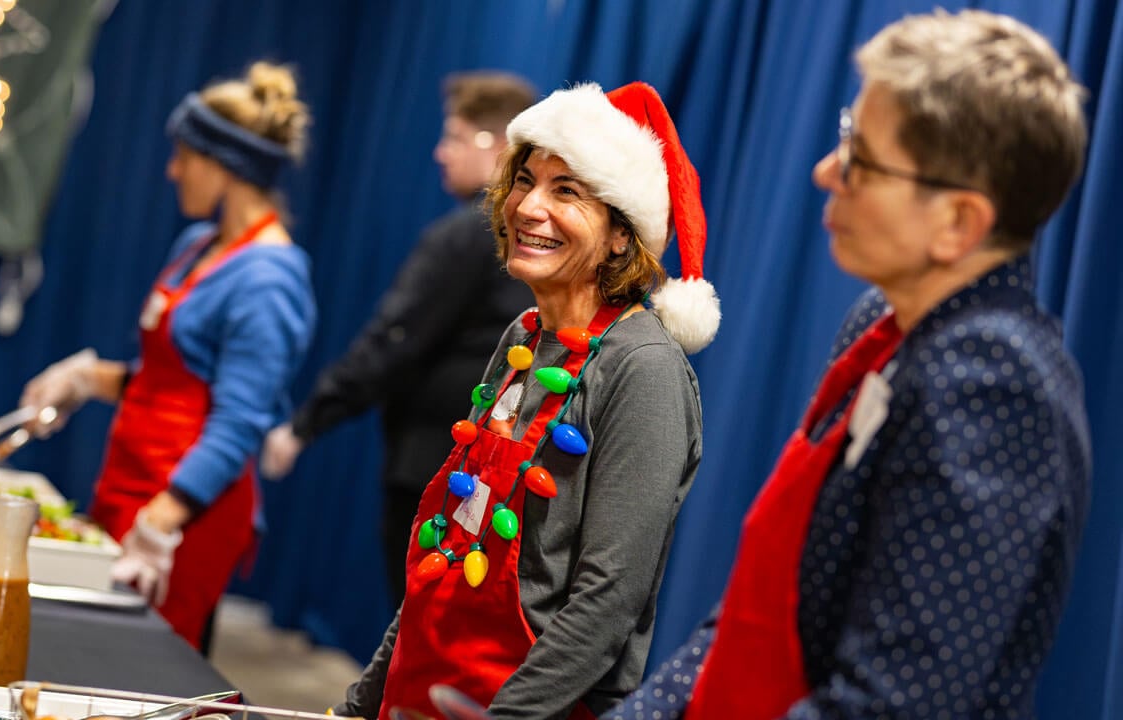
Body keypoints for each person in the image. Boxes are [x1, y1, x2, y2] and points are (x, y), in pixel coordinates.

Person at [606, 9, 1091, 720]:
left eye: (860, 157)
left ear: (959, 222)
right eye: (844, 135)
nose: (825, 171)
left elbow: (893, 705)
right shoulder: (881, 327)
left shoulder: (993, 387)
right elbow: (763, 610)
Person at [332, 81, 720, 720]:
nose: (529, 207)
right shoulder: (523, 337)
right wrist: (361, 703)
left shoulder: (643, 368)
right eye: (524, 181)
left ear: (622, 235)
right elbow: (450, 549)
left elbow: (608, 602)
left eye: (566, 191)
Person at [19, 61, 317, 652]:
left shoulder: (269, 280)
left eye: (184, 155)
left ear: (225, 165)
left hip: (185, 513)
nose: (172, 169)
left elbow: (237, 425)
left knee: (134, 677)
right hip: (131, 482)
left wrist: (162, 520)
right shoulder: (197, 245)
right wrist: (82, 378)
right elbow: (167, 382)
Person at [260, 71, 536, 604]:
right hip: (492, 476)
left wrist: (307, 422)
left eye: (455, 136)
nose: (439, 152)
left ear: (499, 148)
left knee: (423, 617)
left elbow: (395, 339)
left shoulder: (468, 235)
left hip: (438, 468)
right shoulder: (522, 247)